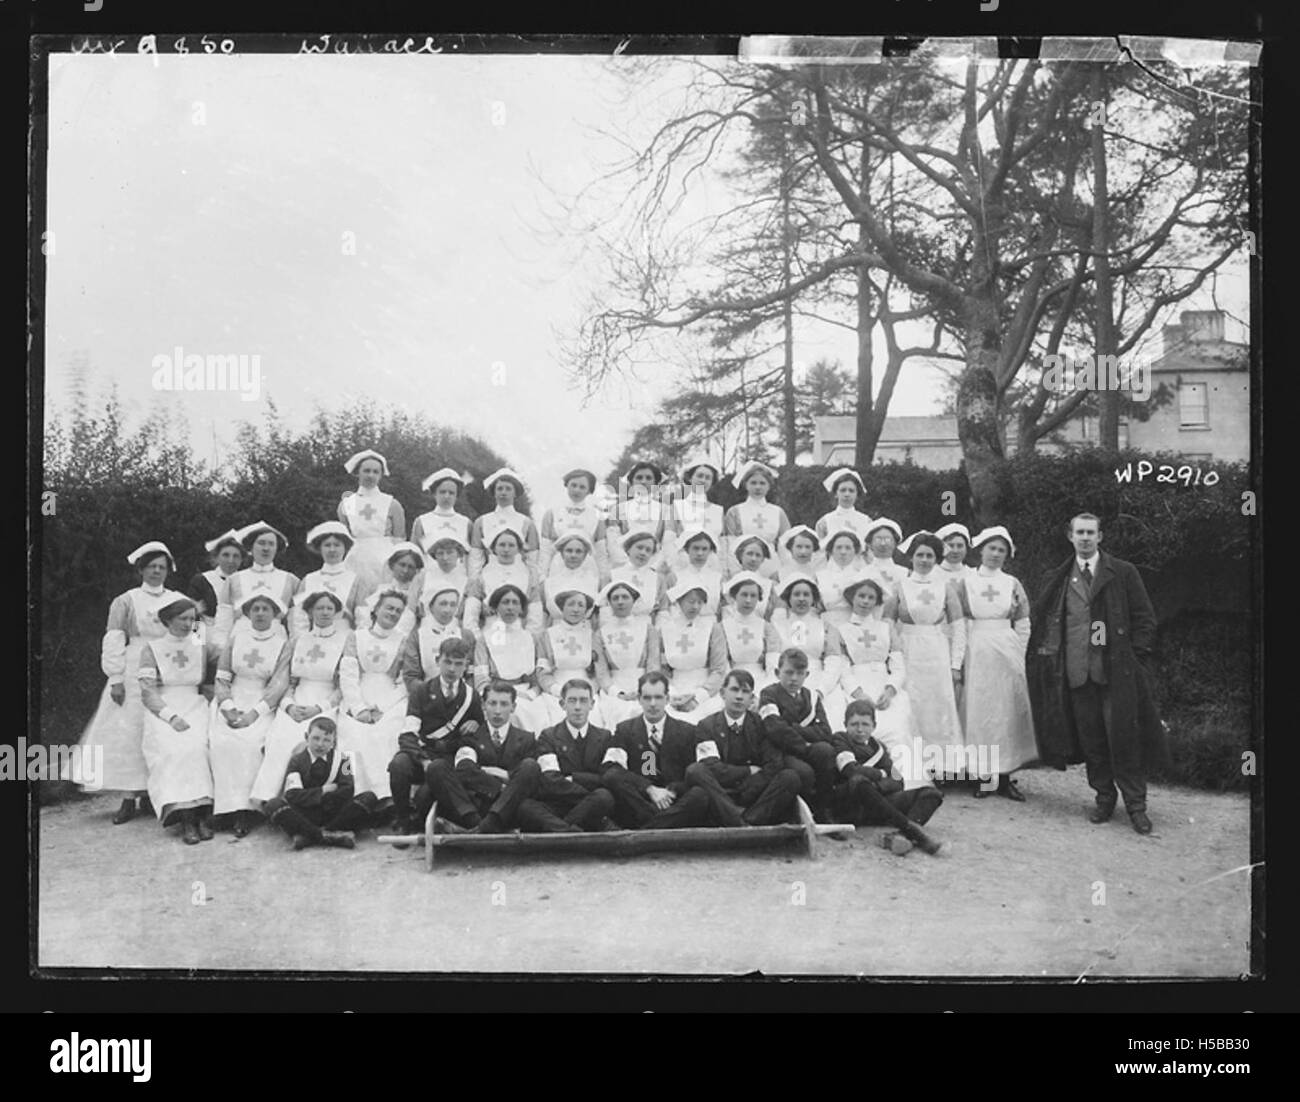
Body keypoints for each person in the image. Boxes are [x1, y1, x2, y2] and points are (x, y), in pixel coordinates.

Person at [1028, 513, 1167, 835]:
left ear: (1101, 536)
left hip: (1115, 674)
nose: (1086, 538)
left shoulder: (1123, 572)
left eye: (1091, 532)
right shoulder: (1060, 577)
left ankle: (1136, 806)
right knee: (1092, 742)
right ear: (1070, 536)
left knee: (1124, 739)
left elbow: (1145, 620)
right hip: (1077, 674)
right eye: (1080, 532)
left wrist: (1134, 659)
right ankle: (1104, 798)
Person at [70, 541, 184, 825]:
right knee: (129, 731)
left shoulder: (178, 599)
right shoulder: (125, 601)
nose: (157, 571)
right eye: (152, 566)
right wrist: (116, 678)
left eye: (162, 567)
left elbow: (194, 635)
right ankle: (128, 798)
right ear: (141, 570)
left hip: (169, 668)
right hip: (134, 669)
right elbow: (114, 639)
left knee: (160, 729)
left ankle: (152, 795)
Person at [955, 526, 1036, 801]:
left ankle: (1005, 777)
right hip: (977, 647)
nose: (996, 554)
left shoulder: (1012, 583)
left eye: (1002, 550)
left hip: (1006, 649)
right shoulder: (966, 582)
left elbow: (1023, 622)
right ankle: (983, 776)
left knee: (1007, 715)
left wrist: (1018, 656)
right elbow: (959, 622)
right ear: (981, 550)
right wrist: (961, 656)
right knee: (981, 713)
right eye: (992, 548)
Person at [248, 590, 350, 806]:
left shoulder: (345, 641)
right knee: (279, 738)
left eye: (329, 608)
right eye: (319, 608)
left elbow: (343, 686)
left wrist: (319, 708)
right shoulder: (297, 640)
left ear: (336, 613)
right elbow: (286, 681)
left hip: (327, 702)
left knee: (311, 740)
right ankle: (268, 799)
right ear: (310, 612)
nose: (324, 612)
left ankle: (308, 801)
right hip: (296, 700)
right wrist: (288, 705)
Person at [209, 593, 291, 837]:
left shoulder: (282, 644)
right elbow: (222, 677)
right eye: (255, 608)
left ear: (275, 614)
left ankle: (246, 811)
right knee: (221, 742)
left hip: (261, 702)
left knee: (250, 743)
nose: (261, 613)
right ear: (247, 613)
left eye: (266, 609)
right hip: (232, 699)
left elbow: (278, 685)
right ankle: (225, 809)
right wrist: (228, 706)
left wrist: (254, 714)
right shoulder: (236, 638)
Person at [137, 597, 215, 844]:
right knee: (174, 749)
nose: (188, 623)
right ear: (168, 619)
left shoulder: (199, 644)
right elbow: (148, 691)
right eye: (182, 618)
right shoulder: (153, 648)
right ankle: (186, 819)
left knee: (200, 748)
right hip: (165, 708)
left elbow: (228, 657)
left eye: (192, 619)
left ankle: (203, 814)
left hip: (196, 704)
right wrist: (171, 717)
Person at [389, 637, 486, 834]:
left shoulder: (471, 696)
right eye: (447, 662)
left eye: (458, 664)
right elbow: (408, 734)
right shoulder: (421, 691)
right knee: (398, 764)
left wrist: (476, 723)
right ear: (437, 661)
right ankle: (403, 818)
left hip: (448, 759)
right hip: (422, 753)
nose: (452, 669)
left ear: (466, 665)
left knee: (426, 795)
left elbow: (479, 736)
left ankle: (426, 818)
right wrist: (422, 760)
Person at [828, 579, 920, 787]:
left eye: (871, 597)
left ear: (877, 602)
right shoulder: (840, 629)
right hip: (856, 685)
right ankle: (862, 780)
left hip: (884, 684)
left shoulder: (886, 628)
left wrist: (890, 691)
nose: (865, 601)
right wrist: (858, 694)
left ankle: (901, 783)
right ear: (852, 598)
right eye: (861, 596)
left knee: (897, 725)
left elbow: (898, 666)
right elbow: (842, 666)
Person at [829, 700, 943, 856]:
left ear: (874, 726)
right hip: (850, 805)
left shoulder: (878, 748)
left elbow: (898, 781)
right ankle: (914, 833)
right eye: (854, 724)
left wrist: (875, 787)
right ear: (845, 725)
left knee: (931, 793)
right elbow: (851, 770)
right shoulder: (840, 739)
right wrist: (881, 774)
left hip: (877, 803)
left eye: (865, 724)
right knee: (859, 781)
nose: (860, 730)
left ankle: (900, 836)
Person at [424, 680, 540, 834]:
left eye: (504, 704)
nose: (497, 711)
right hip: (477, 806)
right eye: (492, 703)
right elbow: (465, 769)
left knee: (530, 766)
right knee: (437, 767)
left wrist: (501, 773)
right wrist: (503, 787)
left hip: (511, 810)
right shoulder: (471, 737)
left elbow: (529, 779)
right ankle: (479, 825)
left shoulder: (527, 739)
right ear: (483, 705)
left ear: (513, 707)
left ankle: (481, 829)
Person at [691, 670, 803, 825]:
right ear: (723, 693)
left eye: (745, 692)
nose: (739, 696)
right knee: (695, 770)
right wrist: (747, 771)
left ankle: (746, 821)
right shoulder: (706, 726)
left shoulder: (761, 725)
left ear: (751, 698)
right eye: (734, 690)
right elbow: (710, 766)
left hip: (753, 791)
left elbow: (774, 763)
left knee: (790, 777)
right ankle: (740, 823)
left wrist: (752, 784)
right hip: (721, 792)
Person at [894, 532, 966, 770]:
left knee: (938, 706)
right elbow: (886, 625)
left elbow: (958, 627)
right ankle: (913, 766)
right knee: (911, 705)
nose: (924, 560)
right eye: (920, 555)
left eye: (930, 556)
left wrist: (956, 664)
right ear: (911, 557)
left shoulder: (944, 587)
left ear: (936, 559)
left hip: (936, 650)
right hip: (908, 649)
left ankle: (943, 766)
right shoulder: (900, 586)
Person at [603, 672, 712, 829]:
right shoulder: (624, 730)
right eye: (647, 698)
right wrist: (649, 788)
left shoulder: (687, 731)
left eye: (658, 697)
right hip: (640, 801)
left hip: (673, 800)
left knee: (699, 795)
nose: (653, 704)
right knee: (613, 777)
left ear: (667, 699)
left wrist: (669, 792)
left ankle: (644, 832)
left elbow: (692, 775)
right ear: (639, 699)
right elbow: (610, 770)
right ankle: (663, 826)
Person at [337, 588, 409, 805]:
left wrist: (382, 708)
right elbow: (348, 676)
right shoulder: (356, 637)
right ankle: (351, 791)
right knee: (350, 737)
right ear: (376, 609)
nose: (393, 613)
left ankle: (385, 793)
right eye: (389, 607)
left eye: (399, 610)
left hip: (390, 700)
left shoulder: (404, 640)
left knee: (385, 735)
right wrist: (359, 709)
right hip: (357, 694)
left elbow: (405, 680)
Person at [263, 717, 379, 850]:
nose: (320, 744)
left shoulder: (344, 760)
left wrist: (317, 797)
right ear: (307, 737)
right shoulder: (296, 760)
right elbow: (292, 795)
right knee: (273, 805)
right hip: (305, 814)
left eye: (327, 740)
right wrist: (323, 791)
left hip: (334, 813)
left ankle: (309, 836)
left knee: (369, 797)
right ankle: (331, 836)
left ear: (333, 743)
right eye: (316, 738)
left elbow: (348, 789)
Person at [522, 679, 619, 831]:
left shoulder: (605, 737)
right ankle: (569, 830)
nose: (578, 707)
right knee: (525, 806)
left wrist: (574, 778)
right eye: (572, 701)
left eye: (583, 701)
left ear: (592, 704)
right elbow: (550, 779)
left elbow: (606, 778)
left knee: (604, 796)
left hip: (593, 803)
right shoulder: (548, 736)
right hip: (558, 803)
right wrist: (588, 788)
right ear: (562, 704)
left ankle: (558, 828)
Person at [757, 648, 838, 821]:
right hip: (781, 751)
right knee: (805, 772)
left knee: (827, 752)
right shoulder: (768, 695)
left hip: (803, 747)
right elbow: (775, 729)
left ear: (806, 674)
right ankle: (798, 815)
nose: (794, 678)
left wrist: (795, 728)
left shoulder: (811, 697)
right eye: (789, 672)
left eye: (799, 673)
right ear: (777, 672)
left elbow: (825, 732)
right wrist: (805, 745)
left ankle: (824, 811)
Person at [471, 584, 550, 732]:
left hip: (525, 692)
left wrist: (531, 693)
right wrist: (492, 695)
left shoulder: (530, 638)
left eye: (515, 603)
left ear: (521, 608)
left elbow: (536, 677)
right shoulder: (485, 639)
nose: (510, 607)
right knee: (512, 712)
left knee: (542, 714)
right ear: (496, 607)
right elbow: (481, 679)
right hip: (496, 693)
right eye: (505, 602)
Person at [649, 582, 727, 722]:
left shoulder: (712, 629)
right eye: (691, 602)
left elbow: (719, 669)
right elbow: (660, 668)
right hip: (674, 689)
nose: (695, 606)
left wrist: (698, 697)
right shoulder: (665, 630)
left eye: (699, 602)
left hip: (705, 689)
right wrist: (672, 694)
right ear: (679, 602)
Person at [337, 449, 406, 603]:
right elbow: (344, 538)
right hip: (356, 560)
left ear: (381, 475)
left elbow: (399, 541)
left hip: (384, 560)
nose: (370, 475)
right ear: (357, 473)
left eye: (375, 471)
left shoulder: (392, 503)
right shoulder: (347, 503)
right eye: (366, 471)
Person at [768, 574, 844, 709]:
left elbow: (834, 661)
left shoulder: (825, 627)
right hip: (785, 680)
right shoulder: (777, 626)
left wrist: (822, 689)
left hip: (817, 679)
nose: (801, 599)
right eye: (796, 594)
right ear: (788, 598)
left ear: (813, 599)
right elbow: (772, 660)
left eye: (806, 594)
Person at [536, 589, 606, 727]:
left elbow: (599, 669)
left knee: (595, 718)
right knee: (553, 719)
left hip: (587, 688)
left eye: (581, 605)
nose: (576, 609)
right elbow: (542, 671)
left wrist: (591, 689)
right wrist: (556, 689)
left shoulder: (593, 636)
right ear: (562, 607)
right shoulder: (547, 635)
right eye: (571, 604)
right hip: (556, 690)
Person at [592, 580, 656, 729]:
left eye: (625, 597)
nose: (620, 602)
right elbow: (601, 672)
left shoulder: (648, 629)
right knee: (617, 714)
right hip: (614, 688)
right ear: (609, 602)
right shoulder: (601, 633)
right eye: (615, 598)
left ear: (634, 600)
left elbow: (653, 664)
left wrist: (643, 690)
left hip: (646, 685)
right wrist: (617, 693)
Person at [461, 527, 543, 632]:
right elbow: (471, 610)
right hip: (491, 629)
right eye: (502, 545)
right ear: (494, 548)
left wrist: (529, 637)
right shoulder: (483, 576)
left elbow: (535, 612)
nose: (506, 549)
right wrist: (476, 636)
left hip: (519, 631)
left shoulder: (528, 576)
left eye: (511, 545)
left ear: (518, 548)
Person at [291, 521, 360, 636]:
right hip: (313, 639)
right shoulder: (309, 580)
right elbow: (299, 615)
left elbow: (362, 617)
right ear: (320, 548)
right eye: (327, 545)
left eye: (337, 545)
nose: (332, 550)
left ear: (345, 548)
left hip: (343, 638)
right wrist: (301, 641)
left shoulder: (355, 580)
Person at [539, 468, 610, 580]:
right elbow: (545, 550)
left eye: (582, 487)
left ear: (589, 490)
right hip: (558, 568)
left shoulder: (596, 516)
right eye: (573, 485)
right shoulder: (552, 513)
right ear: (567, 485)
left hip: (587, 570)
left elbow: (601, 552)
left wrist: (604, 577)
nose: (577, 490)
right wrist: (542, 575)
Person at [400, 586, 473, 693]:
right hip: (426, 694)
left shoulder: (466, 635)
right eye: (443, 604)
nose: (447, 610)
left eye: (452, 605)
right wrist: (434, 694)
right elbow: (411, 676)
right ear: (431, 606)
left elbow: (470, 673)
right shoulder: (418, 636)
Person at [469, 468, 539, 578]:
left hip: (519, 574)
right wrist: (474, 581)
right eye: (500, 489)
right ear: (494, 492)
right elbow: (476, 557)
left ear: (515, 493)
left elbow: (532, 558)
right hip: (490, 574)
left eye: (508, 489)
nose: (504, 492)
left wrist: (533, 581)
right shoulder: (482, 521)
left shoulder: (526, 522)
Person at [228, 521, 299, 629]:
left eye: (271, 544)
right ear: (251, 547)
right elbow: (223, 618)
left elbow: (297, 620)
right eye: (261, 543)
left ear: (276, 548)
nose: (266, 548)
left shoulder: (291, 580)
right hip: (241, 636)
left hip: (277, 638)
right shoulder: (234, 580)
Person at [718, 573, 781, 692]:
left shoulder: (767, 628)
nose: (748, 600)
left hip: (761, 681)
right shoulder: (722, 627)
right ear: (734, 596)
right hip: (731, 680)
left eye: (753, 596)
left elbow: (773, 667)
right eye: (744, 595)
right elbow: (722, 665)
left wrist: (765, 690)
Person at [723, 461, 789, 574]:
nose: (758, 487)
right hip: (742, 566)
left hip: (771, 567)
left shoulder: (778, 512)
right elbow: (730, 545)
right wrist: (734, 571)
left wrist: (784, 571)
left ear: (769, 486)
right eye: (753, 483)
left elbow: (785, 545)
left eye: (762, 483)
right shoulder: (734, 511)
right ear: (746, 484)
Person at [186, 528, 242, 653]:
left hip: (238, 640)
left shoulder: (246, 581)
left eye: (236, 556)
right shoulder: (202, 580)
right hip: (209, 641)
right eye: (226, 555)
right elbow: (195, 617)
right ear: (216, 557)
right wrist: (198, 646)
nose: (231, 560)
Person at [354, 542, 425, 637]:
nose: (405, 571)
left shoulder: (419, 596)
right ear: (392, 565)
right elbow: (365, 620)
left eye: (411, 567)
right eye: (402, 565)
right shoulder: (380, 592)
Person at [665, 460, 725, 572]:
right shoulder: (678, 506)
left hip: (712, 567)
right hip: (682, 565)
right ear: (690, 478)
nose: (703, 480)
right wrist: (671, 565)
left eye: (708, 478)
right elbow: (669, 540)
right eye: (699, 476)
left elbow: (722, 544)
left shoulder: (718, 510)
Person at [608, 461, 667, 570]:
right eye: (639, 478)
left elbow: (667, 543)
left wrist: (654, 566)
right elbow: (613, 541)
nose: (643, 481)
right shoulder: (618, 509)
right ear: (631, 482)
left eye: (649, 478)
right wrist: (627, 564)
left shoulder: (665, 510)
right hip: (624, 566)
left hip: (654, 567)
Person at [662, 529, 724, 621]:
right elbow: (666, 608)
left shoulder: (718, 578)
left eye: (704, 549)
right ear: (687, 550)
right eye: (696, 548)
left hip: (710, 626)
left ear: (710, 551)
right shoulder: (675, 576)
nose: (700, 553)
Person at [541, 533, 602, 623]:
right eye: (569, 551)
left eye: (578, 551)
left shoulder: (595, 583)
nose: (573, 555)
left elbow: (596, 617)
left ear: (585, 555)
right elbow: (545, 617)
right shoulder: (549, 583)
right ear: (561, 554)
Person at [409, 467, 473, 552]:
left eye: (451, 493)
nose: (447, 496)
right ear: (434, 494)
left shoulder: (466, 523)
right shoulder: (422, 521)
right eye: (442, 492)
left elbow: (471, 554)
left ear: (457, 496)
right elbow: (414, 552)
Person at [608, 530, 668, 620]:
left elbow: (662, 611)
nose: (643, 553)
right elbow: (605, 608)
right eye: (639, 547)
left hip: (645, 627)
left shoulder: (658, 578)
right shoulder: (613, 574)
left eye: (648, 550)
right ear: (628, 549)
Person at [817, 530, 870, 626]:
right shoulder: (820, 576)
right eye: (838, 547)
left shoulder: (864, 577)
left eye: (848, 548)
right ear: (831, 550)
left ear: (856, 551)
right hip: (827, 623)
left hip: (857, 624)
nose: (843, 552)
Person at [815, 468, 873, 554]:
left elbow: (870, 552)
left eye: (851, 491)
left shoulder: (866, 521)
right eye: (843, 490)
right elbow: (820, 553)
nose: (847, 494)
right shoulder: (824, 522)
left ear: (857, 494)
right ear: (835, 494)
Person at [723, 536, 776, 617]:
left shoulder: (770, 586)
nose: (753, 559)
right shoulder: (727, 584)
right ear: (740, 555)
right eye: (749, 554)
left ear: (762, 559)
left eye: (758, 555)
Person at [418, 535, 470, 614]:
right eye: (440, 553)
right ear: (434, 555)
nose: (445, 557)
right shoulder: (425, 577)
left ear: (458, 554)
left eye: (450, 552)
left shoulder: (467, 578)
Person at [862, 518, 906, 606]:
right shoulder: (862, 574)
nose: (883, 544)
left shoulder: (905, 573)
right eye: (878, 539)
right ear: (870, 544)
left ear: (895, 543)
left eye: (888, 539)